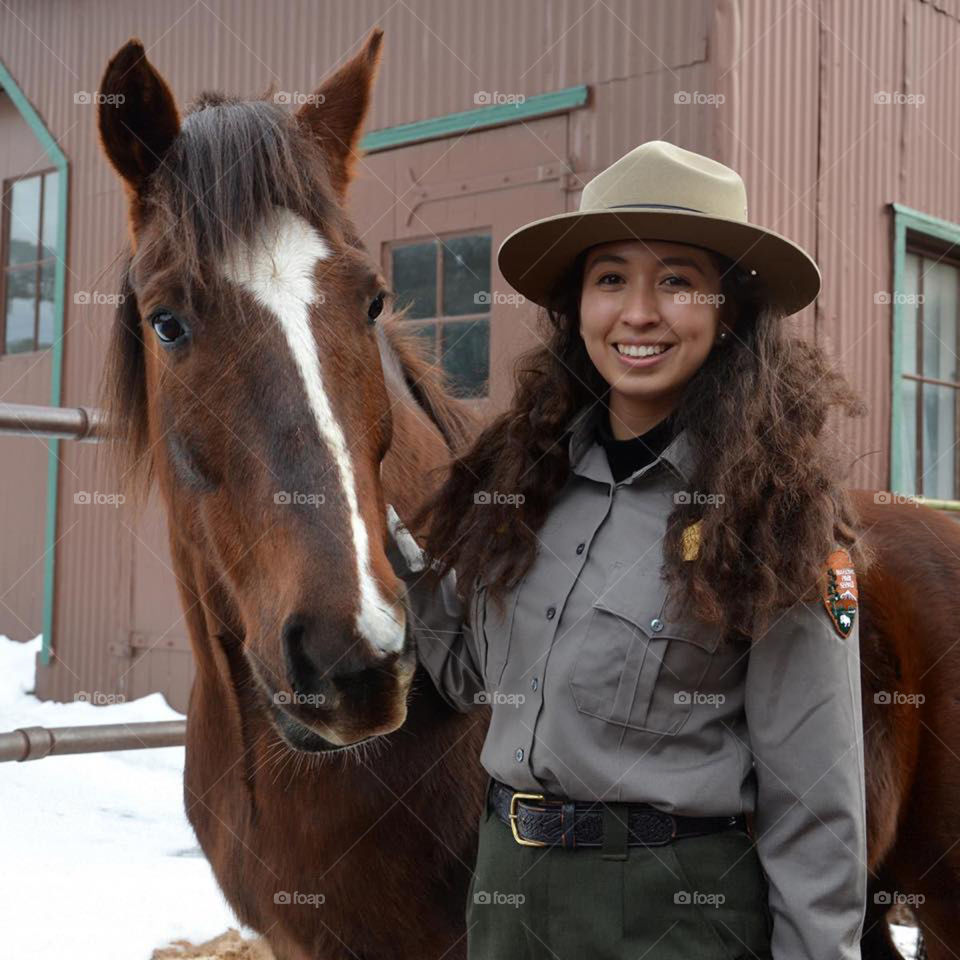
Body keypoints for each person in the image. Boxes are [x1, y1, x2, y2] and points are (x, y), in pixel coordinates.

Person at [386, 140, 871, 960]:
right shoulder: (521, 489)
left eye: (676, 279)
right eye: (610, 278)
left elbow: (815, 804)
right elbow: (471, 675)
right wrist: (390, 554)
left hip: (670, 912)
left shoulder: (775, 522)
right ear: (577, 305)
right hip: (508, 895)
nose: (637, 313)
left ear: (730, 312)